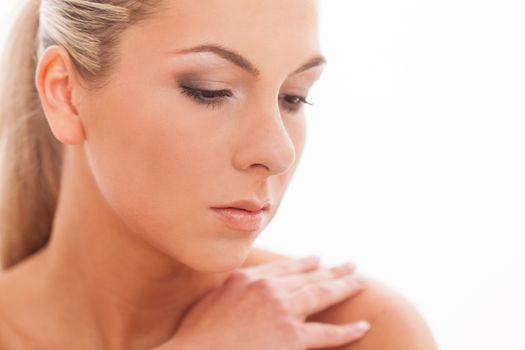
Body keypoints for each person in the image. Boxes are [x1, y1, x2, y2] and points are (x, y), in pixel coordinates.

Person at [0, 0, 439, 349]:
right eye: (210, 90)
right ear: (65, 94)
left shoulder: (359, 333)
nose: (276, 151)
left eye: (293, 98)